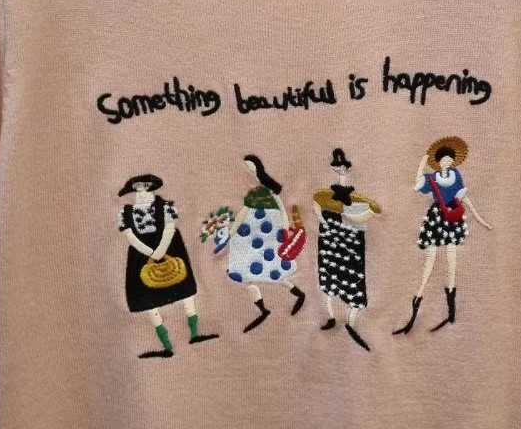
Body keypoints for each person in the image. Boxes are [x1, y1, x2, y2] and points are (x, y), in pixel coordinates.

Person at [393, 137, 491, 336]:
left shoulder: (456, 175)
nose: (447, 162)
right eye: (443, 160)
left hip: (452, 217)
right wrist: (422, 163)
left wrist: (479, 218)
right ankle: (414, 314)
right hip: (437, 218)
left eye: (449, 160)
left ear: (453, 161)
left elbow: (463, 196)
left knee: (452, 262)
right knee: (430, 261)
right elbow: (418, 184)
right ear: (438, 162)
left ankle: (451, 313)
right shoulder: (432, 178)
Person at [117, 173, 218, 358]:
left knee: (184, 290)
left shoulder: (165, 207)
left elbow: (170, 228)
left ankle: (194, 333)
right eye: (137, 187)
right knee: (148, 300)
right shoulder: (127, 212)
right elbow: (130, 236)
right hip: (141, 255)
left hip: (169, 247)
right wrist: (151, 253)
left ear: (152, 187)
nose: (141, 190)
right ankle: (167, 346)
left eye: (145, 186)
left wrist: (160, 251)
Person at [226, 154, 306, 332]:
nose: (249, 172)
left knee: (274, 269)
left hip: (271, 232)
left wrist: (284, 229)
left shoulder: (272, 193)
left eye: (251, 168)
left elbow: (282, 212)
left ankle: (298, 294)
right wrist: (231, 232)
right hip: (250, 233)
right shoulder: (254, 193)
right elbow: (243, 212)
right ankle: (263, 310)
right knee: (248, 273)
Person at [312, 147, 382, 351]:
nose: (340, 170)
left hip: (350, 239)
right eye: (338, 167)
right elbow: (316, 205)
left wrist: (347, 218)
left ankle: (351, 323)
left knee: (352, 279)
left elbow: (372, 211)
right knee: (328, 277)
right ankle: (332, 317)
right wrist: (324, 222)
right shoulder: (324, 195)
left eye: (343, 167)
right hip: (331, 237)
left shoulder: (357, 199)